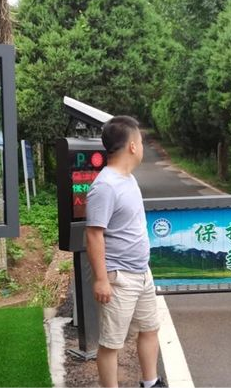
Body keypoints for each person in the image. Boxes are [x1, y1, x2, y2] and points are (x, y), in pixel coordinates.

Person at [85, 116, 166, 388]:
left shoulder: (128, 179)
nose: (142, 146)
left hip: (141, 272)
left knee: (150, 328)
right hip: (119, 277)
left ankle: (150, 382)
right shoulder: (105, 186)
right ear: (132, 146)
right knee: (111, 344)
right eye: (140, 141)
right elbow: (93, 234)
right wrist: (101, 279)